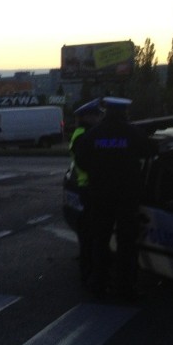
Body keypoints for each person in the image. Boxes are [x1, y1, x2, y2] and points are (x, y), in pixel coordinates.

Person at [74, 97, 151, 298]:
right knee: (127, 242)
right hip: (127, 197)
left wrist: (98, 173)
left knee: (100, 240)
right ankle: (125, 286)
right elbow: (150, 150)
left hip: (99, 195)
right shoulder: (133, 133)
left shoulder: (93, 134)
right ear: (124, 112)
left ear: (106, 111)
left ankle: (98, 283)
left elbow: (80, 161)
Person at [68, 99, 104, 283]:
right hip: (88, 187)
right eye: (97, 115)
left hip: (86, 187)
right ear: (88, 117)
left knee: (90, 232)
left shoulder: (84, 133)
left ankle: (89, 269)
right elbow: (85, 162)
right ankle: (88, 272)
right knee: (90, 234)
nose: (100, 118)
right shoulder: (83, 135)